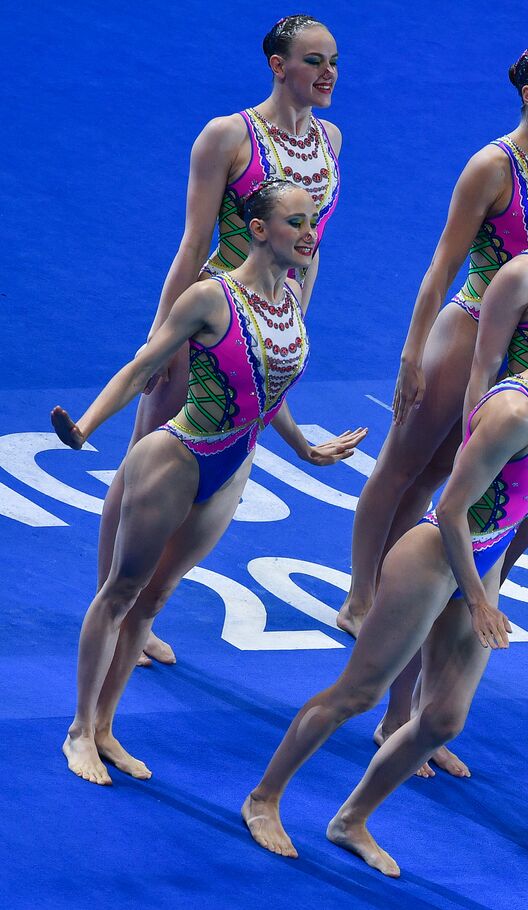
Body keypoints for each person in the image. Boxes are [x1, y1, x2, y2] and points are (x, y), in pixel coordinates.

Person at [242, 288, 528, 876]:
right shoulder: (513, 411)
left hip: (480, 564)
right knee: (356, 694)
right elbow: (453, 509)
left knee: (443, 719)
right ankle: (264, 797)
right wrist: (480, 600)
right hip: (433, 561)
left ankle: (351, 819)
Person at [52, 180, 367, 786]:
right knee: (120, 592)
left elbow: (263, 386)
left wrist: (304, 448)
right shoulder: (210, 298)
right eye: (296, 223)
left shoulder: (294, 295)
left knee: (156, 598)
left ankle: (106, 729)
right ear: (257, 229)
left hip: (234, 466)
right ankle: (77, 731)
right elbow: (143, 366)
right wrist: (86, 427)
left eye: (313, 222)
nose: (309, 234)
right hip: (178, 457)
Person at [369, 146, 528, 780]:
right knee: (448, 584)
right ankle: (394, 715)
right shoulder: (521, 276)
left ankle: (430, 718)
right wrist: (472, 444)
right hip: (506, 442)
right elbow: (484, 369)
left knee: (492, 575)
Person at [99, 14, 343, 668]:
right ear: (277, 65)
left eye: (332, 62)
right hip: (214, 315)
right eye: (313, 61)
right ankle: (110, 603)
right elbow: (193, 242)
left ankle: (145, 603)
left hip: (272, 328)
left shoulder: (332, 142)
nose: (327, 75)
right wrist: (160, 336)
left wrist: (294, 322)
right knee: (147, 458)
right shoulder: (228, 136)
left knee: (220, 471)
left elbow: (311, 252)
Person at [335, 43, 528, 645]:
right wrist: (410, 351)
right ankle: (360, 595)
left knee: (447, 474)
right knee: (403, 467)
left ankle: (407, 594)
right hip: (470, 331)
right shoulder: (493, 167)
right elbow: (443, 264)